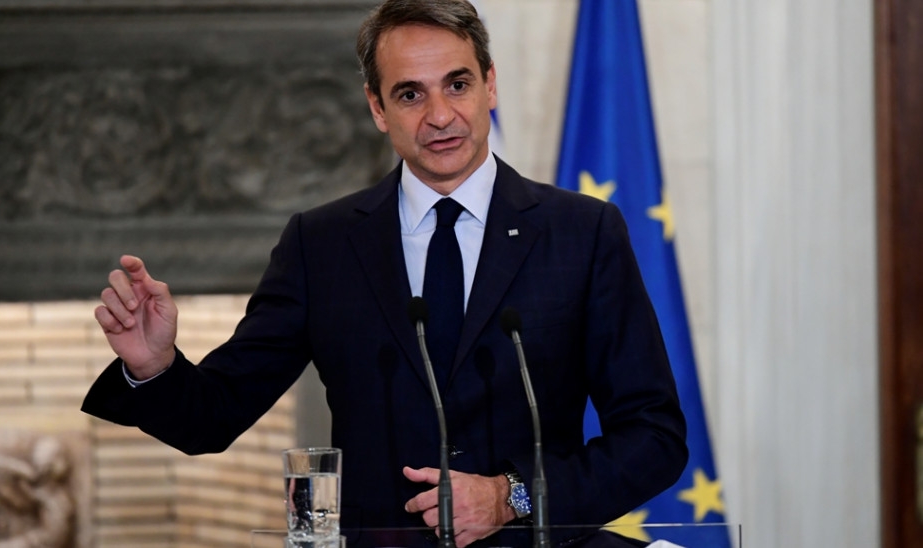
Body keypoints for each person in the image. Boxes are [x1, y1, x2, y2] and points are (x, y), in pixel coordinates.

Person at [82, 1, 687, 546]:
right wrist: (153, 366)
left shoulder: (580, 232)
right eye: (410, 94)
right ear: (377, 107)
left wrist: (512, 497)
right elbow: (213, 418)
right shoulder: (321, 245)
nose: (440, 116)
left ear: (491, 84)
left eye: (457, 84)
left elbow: (653, 437)